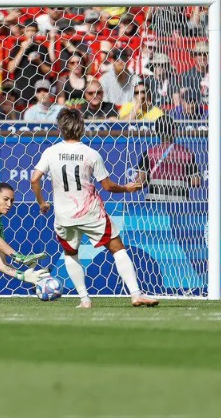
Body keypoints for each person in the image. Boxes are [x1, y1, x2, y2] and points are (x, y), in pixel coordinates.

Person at [30, 108, 158, 308]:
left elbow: (34, 179)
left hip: (64, 215)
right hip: (90, 211)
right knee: (117, 248)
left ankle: (85, 300)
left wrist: (42, 202)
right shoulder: (90, 154)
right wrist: (127, 188)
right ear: (81, 128)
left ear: (61, 128)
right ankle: (135, 294)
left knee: (71, 253)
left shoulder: (51, 152)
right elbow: (107, 187)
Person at [136, 116, 201, 202]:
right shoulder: (187, 153)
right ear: (173, 131)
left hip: (154, 203)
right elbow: (195, 182)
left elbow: (140, 182)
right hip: (179, 203)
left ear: (157, 132)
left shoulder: (148, 153)